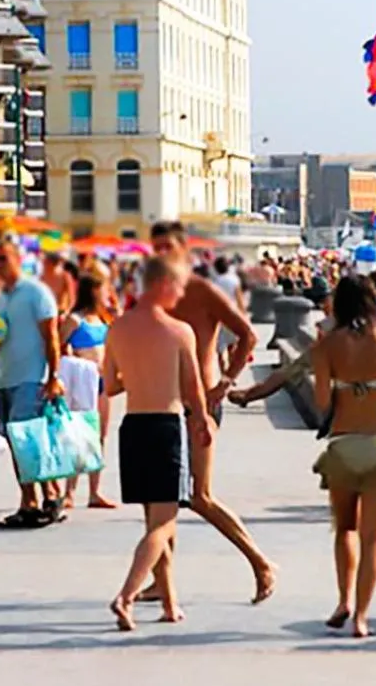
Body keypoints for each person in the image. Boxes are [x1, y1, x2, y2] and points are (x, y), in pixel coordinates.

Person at [148, 221, 275, 603]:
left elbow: (248, 335)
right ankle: (160, 580)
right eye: (156, 248)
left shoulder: (202, 291)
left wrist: (226, 381)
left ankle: (260, 563)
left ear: (183, 250)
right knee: (157, 499)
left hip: (199, 405)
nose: (161, 254)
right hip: (163, 405)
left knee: (199, 496)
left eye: (168, 247)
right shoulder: (154, 293)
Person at [105, 255, 213, 631]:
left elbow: (111, 385)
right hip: (166, 426)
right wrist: (202, 419)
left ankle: (169, 602)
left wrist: (139, 375)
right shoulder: (179, 331)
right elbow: (193, 388)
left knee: (153, 520)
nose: (180, 294)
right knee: (164, 524)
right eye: (179, 286)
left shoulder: (117, 328)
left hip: (133, 427)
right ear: (163, 284)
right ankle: (126, 595)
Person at [310, 275, 376, 639]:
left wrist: (347, 389)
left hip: (344, 445)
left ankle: (343, 601)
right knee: (373, 538)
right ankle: (363, 617)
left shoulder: (327, 346)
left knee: (345, 530)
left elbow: (322, 401)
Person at [0, 239, 66, 528]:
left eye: (4, 259)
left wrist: (53, 376)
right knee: (17, 442)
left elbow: (51, 335)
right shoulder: (0, 299)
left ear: (18, 259)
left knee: (29, 442)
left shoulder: (36, 292)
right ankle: (34, 500)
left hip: (32, 378)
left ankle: (46, 497)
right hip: (6, 378)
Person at [59, 274, 116, 510]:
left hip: (102, 383)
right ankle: (69, 491)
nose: (108, 293)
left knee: (99, 437)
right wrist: (74, 358)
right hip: (82, 382)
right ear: (93, 291)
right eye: (104, 288)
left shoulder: (103, 318)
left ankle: (94, 491)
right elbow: (58, 346)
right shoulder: (75, 319)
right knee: (77, 435)